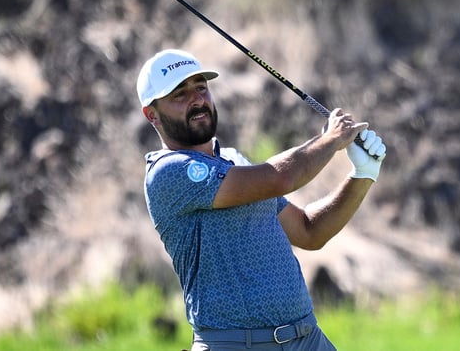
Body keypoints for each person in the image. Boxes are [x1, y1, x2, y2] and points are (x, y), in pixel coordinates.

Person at [137, 49, 386, 350]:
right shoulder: (168, 172)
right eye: (179, 95)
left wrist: (362, 174)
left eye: (201, 88)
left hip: (308, 339)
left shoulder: (233, 161)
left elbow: (308, 231)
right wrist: (330, 140)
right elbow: (279, 177)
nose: (197, 100)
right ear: (152, 114)